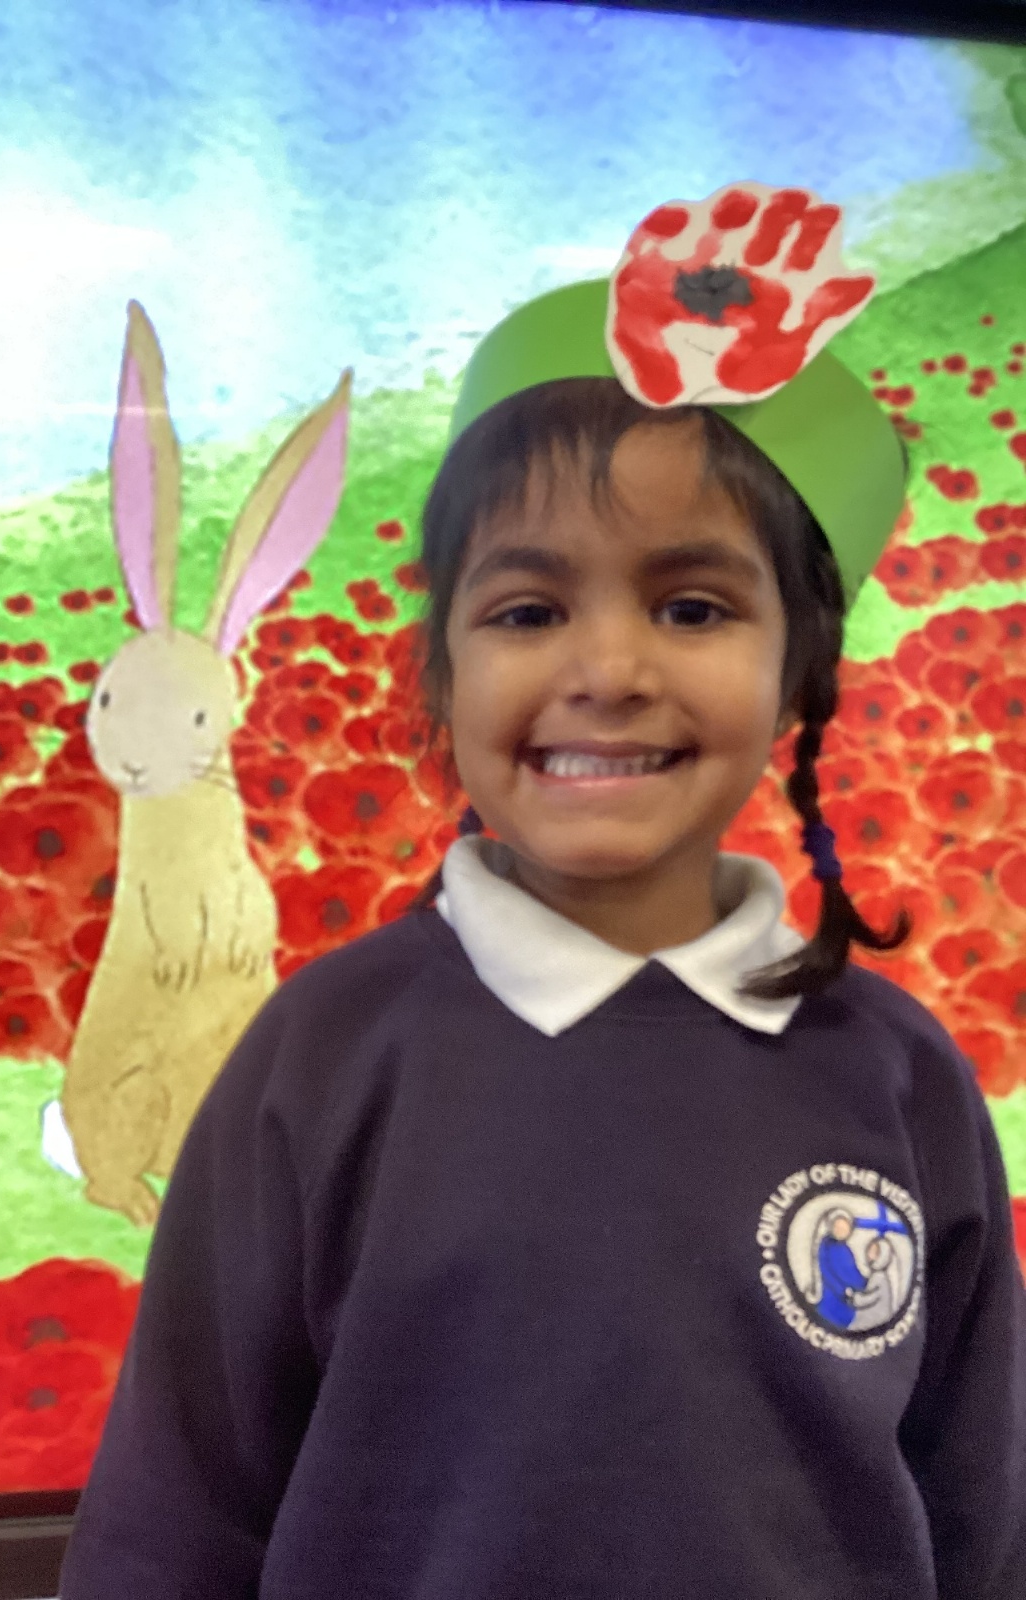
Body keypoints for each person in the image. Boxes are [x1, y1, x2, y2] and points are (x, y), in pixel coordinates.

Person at [59, 183, 1026, 1599]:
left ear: (799, 675)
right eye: (527, 610)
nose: (608, 668)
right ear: (444, 674)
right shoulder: (321, 1058)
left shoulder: (897, 1079)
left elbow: (981, 1518)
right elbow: (175, 1522)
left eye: (692, 607)